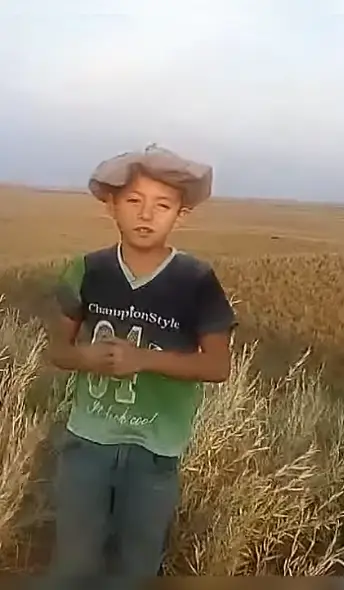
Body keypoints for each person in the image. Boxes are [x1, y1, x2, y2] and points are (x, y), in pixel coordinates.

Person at [46, 145, 237, 577]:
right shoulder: (86, 269)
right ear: (111, 205)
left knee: (136, 566)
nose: (147, 215)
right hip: (86, 445)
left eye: (163, 205)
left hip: (155, 453)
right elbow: (57, 350)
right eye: (134, 201)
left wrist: (143, 359)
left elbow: (217, 367)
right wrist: (84, 357)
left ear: (180, 214)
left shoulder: (197, 281)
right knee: (73, 562)